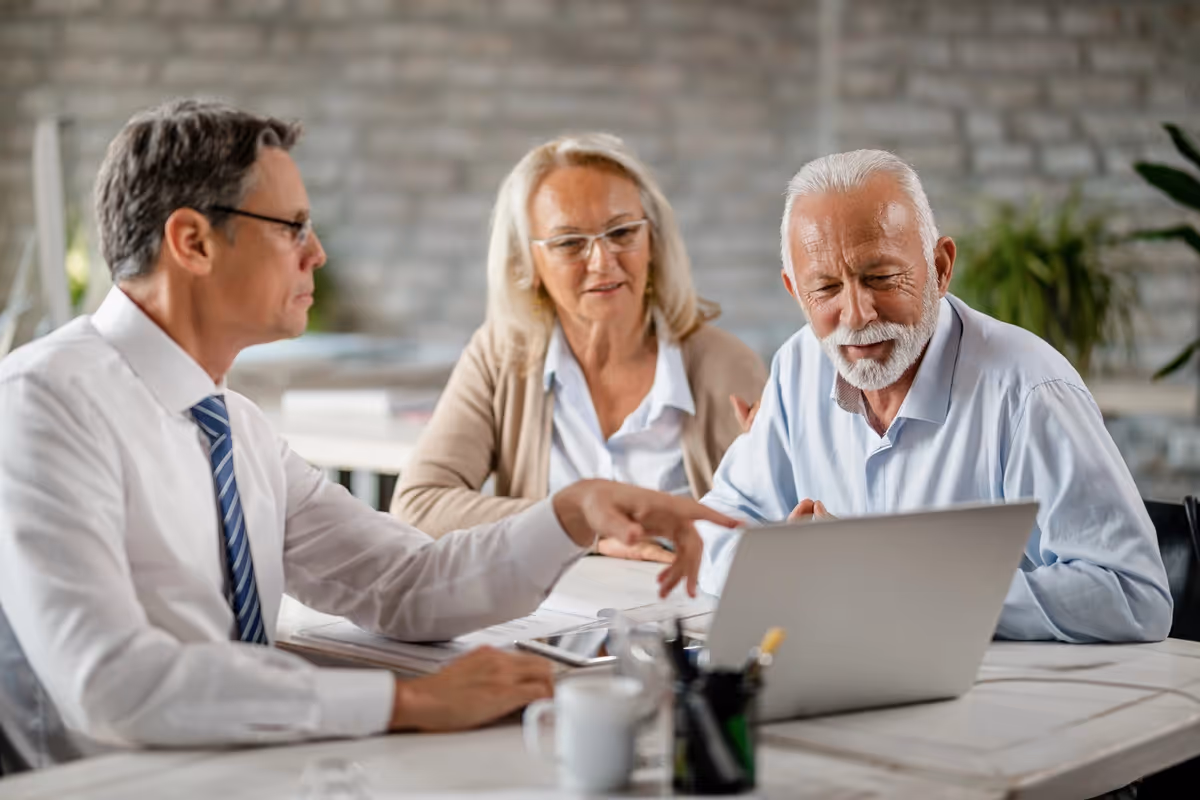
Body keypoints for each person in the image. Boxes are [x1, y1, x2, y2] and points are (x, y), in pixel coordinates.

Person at [0, 100, 737, 772]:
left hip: (242, 772)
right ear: (192, 241)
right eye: (292, 227)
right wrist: (405, 704)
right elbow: (110, 683)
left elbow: (407, 583)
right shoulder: (45, 400)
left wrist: (574, 514)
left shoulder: (236, 431)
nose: (316, 253)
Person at [696, 149, 1172, 644]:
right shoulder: (799, 365)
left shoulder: (1029, 389)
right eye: (826, 288)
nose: (855, 314)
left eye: (881, 277)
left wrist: (898, 582)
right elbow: (717, 526)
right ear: (795, 291)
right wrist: (785, 570)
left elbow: (1134, 595)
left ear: (940, 267)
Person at [390, 133, 767, 564]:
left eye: (622, 232)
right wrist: (582, 524)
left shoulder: (726, 364)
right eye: (569, 242)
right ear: (526, 264)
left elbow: (767, 527)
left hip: (682, 619)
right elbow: (419, 506)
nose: (602, 262)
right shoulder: (501, 355)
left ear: (654, 245)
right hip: (547, 621)